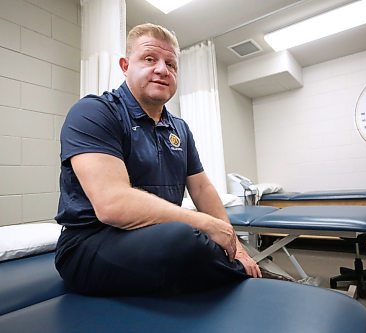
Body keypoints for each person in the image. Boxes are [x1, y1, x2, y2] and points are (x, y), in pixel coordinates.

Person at [54, 23, 264, 296]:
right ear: (125, 65)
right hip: (90, 243)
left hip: (154, 238)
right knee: (184, 238)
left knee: (192, 238)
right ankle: (252, 280)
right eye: (149, 59)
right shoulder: (94, 112)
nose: (162, 69)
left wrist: (234, 242)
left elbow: (202, 188)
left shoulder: (180, 129)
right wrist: (207, 225)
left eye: (171, 64)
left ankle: (240, 273)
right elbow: (112, 205)